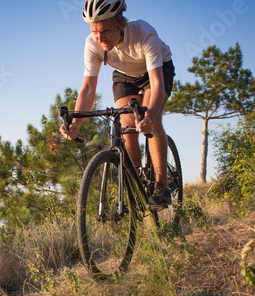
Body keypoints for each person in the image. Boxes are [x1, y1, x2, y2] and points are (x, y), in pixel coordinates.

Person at [60, 0, 175, 206]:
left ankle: (162, 186)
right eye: (95, 31)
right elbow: (87, 89)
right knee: (127, 127)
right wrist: (76, 123)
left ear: (121, 24)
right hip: (125, 75)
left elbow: (156, 83)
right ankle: (137, 180)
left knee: (150, 121)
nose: (100, 38)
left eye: (105, 31)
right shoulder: (92, 44)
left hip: (155, 72)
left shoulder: (144, 33)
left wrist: (149, 116)